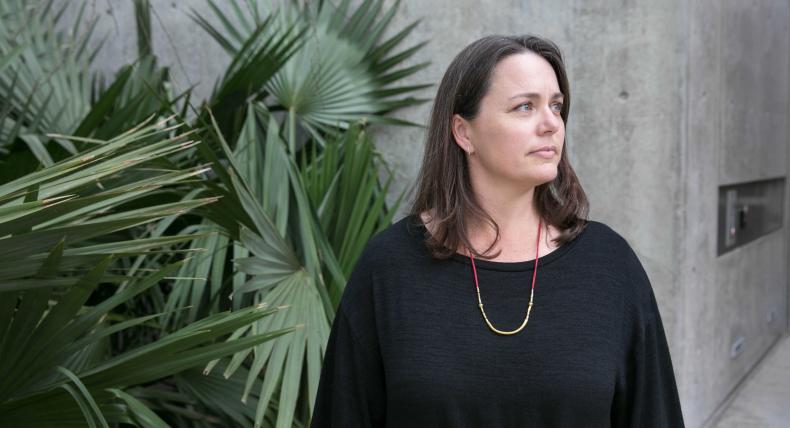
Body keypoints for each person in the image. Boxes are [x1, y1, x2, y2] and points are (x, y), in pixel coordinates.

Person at [310, 34, 685, 427]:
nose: (551, 125)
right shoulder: (389, 267)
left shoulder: (609, 264)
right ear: (463, 132)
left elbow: (654, 415)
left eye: (556, 107)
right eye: (525, 106)